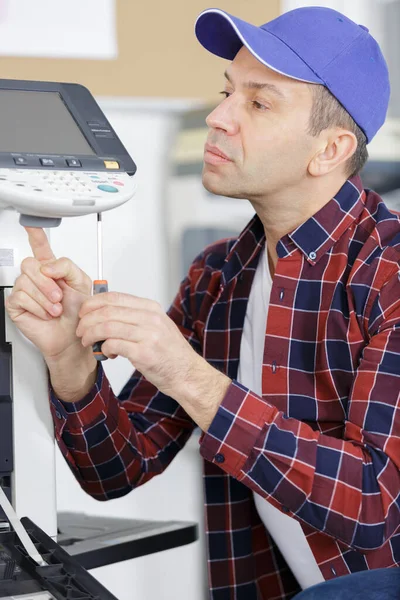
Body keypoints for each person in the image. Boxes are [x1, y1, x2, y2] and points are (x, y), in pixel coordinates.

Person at [6, 6, 400, 600]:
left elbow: (372, 505)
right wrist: (70, 364)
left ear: (330, 149)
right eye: (226, 93)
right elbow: (117, 470)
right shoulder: (218, 276)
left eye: (258, 103)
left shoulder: (389, 272)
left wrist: (190, 376)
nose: (218, 117)